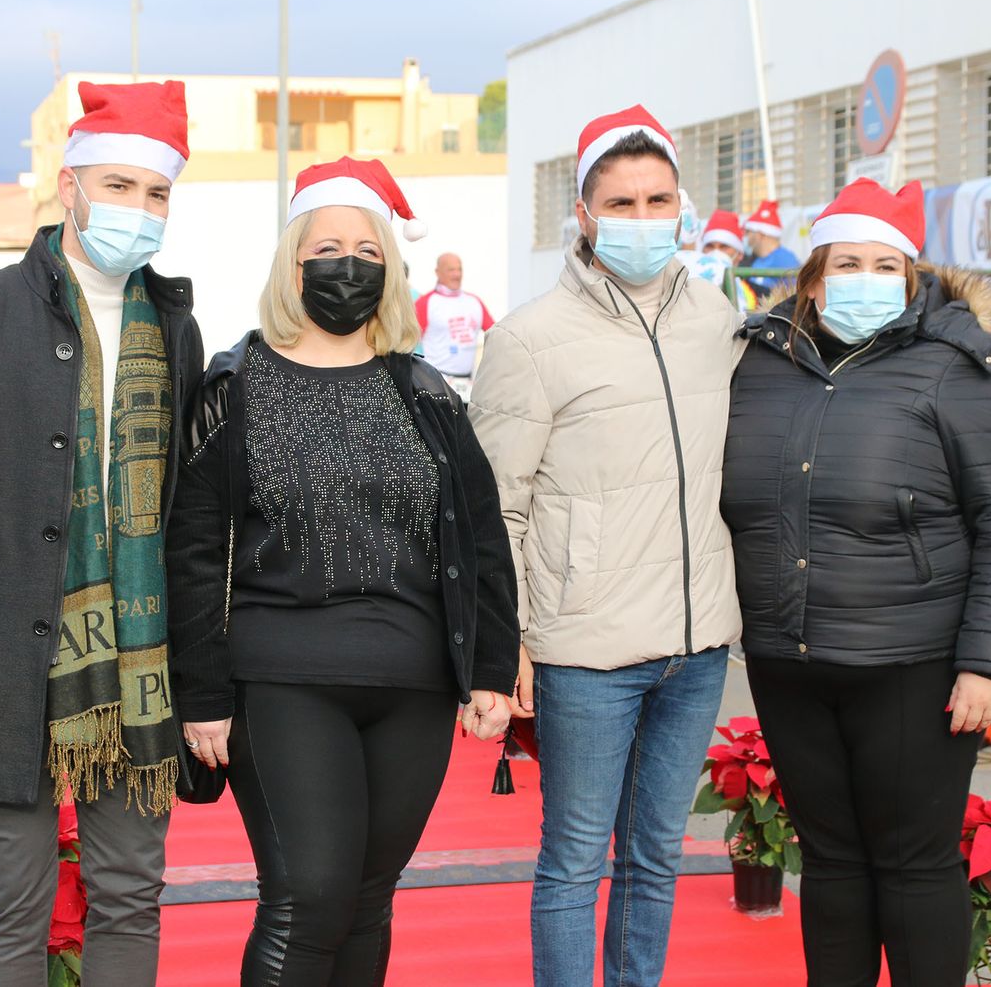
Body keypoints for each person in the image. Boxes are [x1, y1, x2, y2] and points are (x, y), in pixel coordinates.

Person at [0, 80, 203, 987]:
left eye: (157, 192)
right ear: (70, 187)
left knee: (131, 892)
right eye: (121, 187)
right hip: (0, 649)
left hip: (137, 661)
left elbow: (188, 504)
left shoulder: (174, 325)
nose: (139, 210)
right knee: (12, 901)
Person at [167, 157, 518, 985]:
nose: (347, 264)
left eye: (367, 249)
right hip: (281, 680)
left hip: (413, 688)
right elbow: (189, 549)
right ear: (293, 263)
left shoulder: (426, 392)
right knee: (309, 894)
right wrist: (204, 694)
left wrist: (493, 670)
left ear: (391, 269)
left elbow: (481, 534)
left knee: (367, 898)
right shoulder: (235, 383)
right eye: (328, 246)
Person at [722, 177, 991, 987]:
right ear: (813, 275)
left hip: (916, 665)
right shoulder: (759, 365)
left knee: (912, 865)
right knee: (830, 863)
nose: (862, 278)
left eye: (881, 264)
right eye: (844, 262)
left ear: (908, 276)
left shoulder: (952, 368)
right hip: (791, 661)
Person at [470, 105, 743, 987]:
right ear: (583, 214)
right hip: (584, 650)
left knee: (656, 859)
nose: (641, 217)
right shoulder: (529, 339)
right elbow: (495, 510)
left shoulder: (720, 323)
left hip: (697, 646)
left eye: (658, 198)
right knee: (574, 863)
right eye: (619, 202)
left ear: (683, 205)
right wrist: (504, 640)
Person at [414, 251, 495, 380]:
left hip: (467, 381)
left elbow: (496, 334)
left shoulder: (474, 302)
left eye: (459, 269)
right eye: (451, 270)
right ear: (438, 272)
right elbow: (406, 341)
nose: (456, 274)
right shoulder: (425, 303)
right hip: (436, 380)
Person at [743, 197, 799, 285]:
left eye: (748, 232)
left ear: (760, 234)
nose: (746, 236)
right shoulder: (756, 261)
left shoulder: (784, 260)